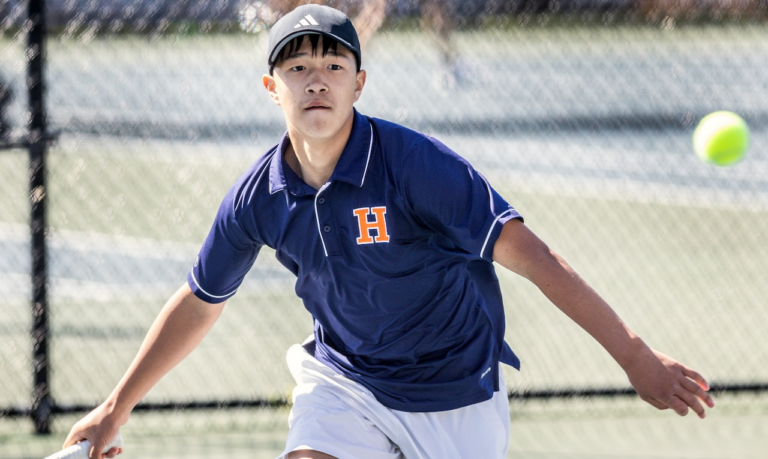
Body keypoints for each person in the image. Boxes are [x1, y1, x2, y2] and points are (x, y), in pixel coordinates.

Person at [63, 5, 714, 459]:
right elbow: (201, 300)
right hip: (344, 378)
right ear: (271, 86)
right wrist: (117, 405)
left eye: (333, 64)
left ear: (359, 83)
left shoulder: (415, 167)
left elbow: (537, 258)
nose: (315, 77)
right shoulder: (257, 195)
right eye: (296, 67)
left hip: (453, 388)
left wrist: (635, 357)